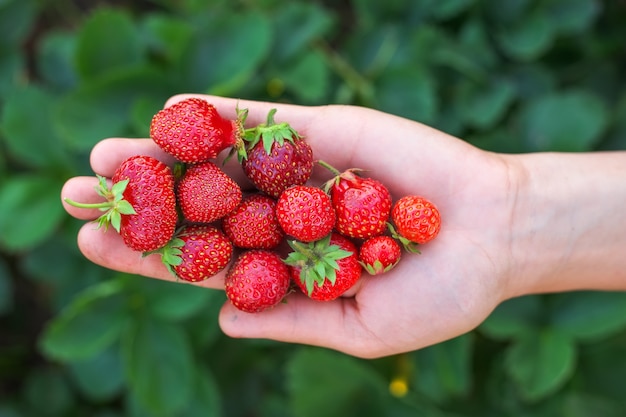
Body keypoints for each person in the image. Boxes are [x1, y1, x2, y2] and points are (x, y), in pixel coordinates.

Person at [61, 94, 626, 359]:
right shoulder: (230, 193)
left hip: (287, 220)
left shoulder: (304, 203)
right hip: (267, 218)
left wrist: (508, 216)